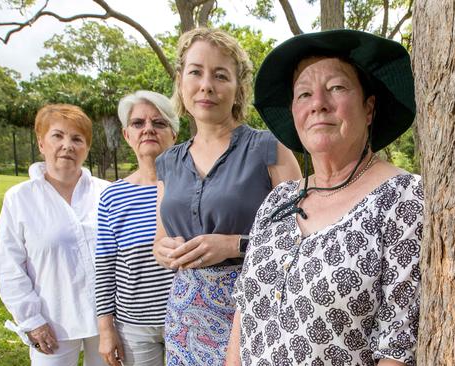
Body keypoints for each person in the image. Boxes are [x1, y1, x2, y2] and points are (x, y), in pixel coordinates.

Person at [226, 30, 423, 366]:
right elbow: (244, 316)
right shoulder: (278, 201)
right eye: (304, 94)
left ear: (369, 107)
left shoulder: (402, 198)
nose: (318, 103)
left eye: (336, 87)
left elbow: (397, 348)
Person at [151, 28, 302, 365]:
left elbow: (305, 236)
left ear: (238, 89)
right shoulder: (167, 162)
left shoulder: (269, 148)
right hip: (184, 320)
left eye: (220, 75)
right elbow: (161, 238)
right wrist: (163, 250)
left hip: (253, 311)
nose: (206, 85)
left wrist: (234, 245)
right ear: (180, 81)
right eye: (196, 72)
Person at [0, 104, 109, 366]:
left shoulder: (106, 193)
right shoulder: (19, 198)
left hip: (107, 320)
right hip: (54, 322)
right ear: (41, 143)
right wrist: (32, 321)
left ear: (86, 148)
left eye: (77, 139)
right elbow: (9, 267)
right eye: (57, 135)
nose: (67, 145)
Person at [95, 91, 179, 366]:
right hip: (135, 328)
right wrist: (106, 330)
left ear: (174, 134)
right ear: (127, 134)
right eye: (138, 123)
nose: (148, 129)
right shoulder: (112, 196)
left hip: (187, 317)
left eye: (159, 122)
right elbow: (105, 268)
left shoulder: (191, 189)